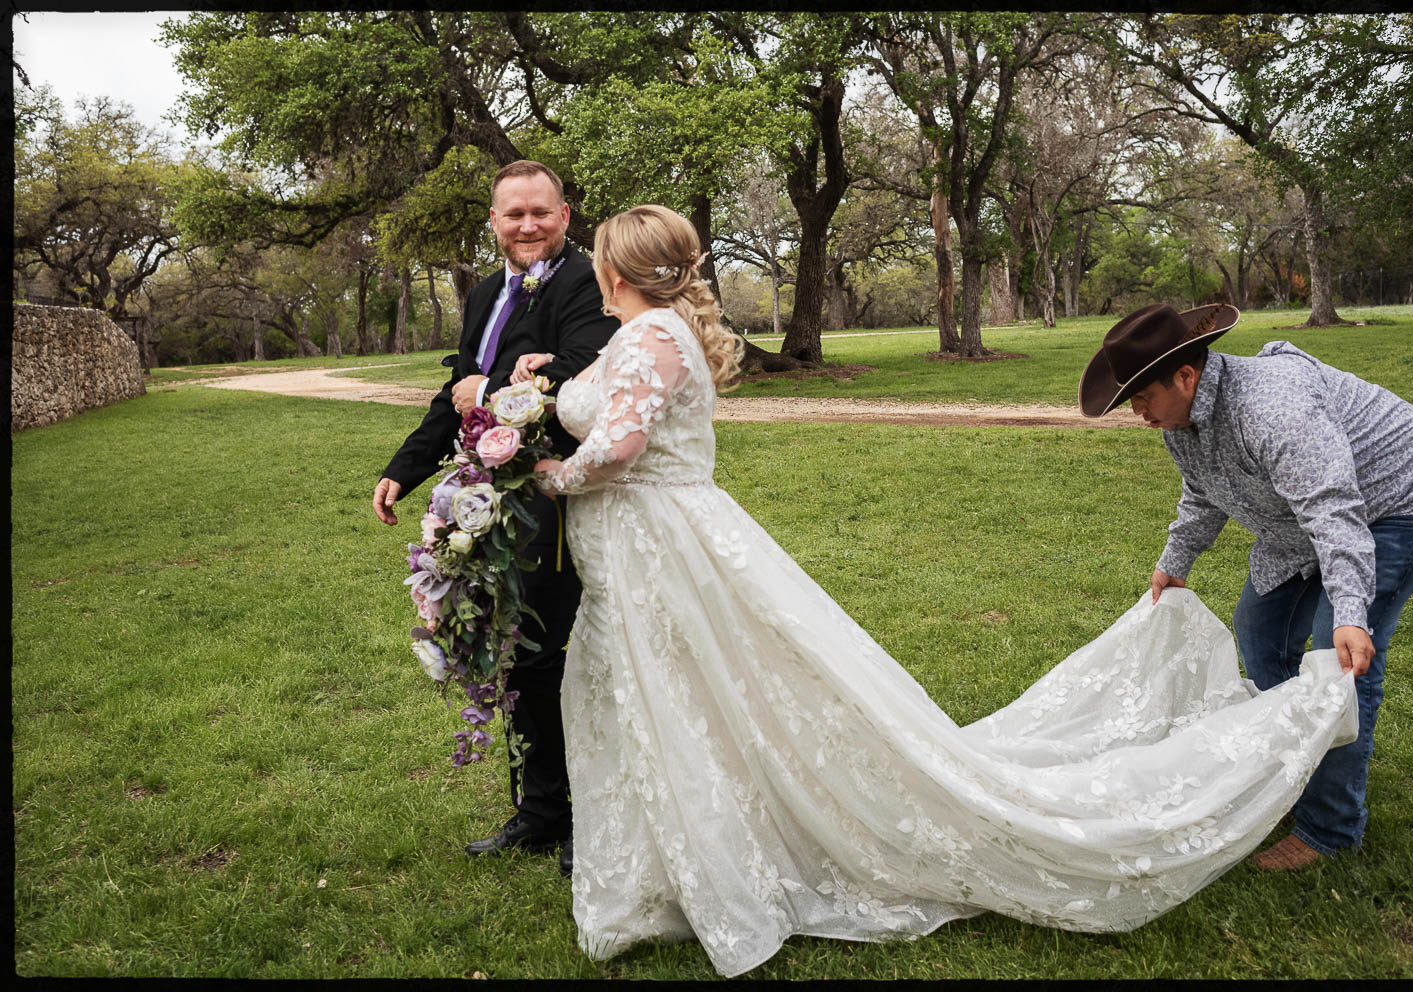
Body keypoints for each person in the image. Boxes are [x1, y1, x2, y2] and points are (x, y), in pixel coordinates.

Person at [510, 204, 1358, 978]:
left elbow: (617, 449)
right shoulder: (646, 333)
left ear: (613, 269)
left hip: (664, 548)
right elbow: (1204, 490)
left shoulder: (654, 335)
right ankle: (676, 863)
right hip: (647, 550)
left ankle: (1322, 810)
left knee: (692, 691)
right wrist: (538, 390)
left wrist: (550, 475)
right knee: (677, 695)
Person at [1079, 302, 1413, 871]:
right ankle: (1289, 781)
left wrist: (1351, 611)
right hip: (1297, 522)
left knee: (1339, 662)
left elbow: (1334, 510)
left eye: (1141, 396)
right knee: (1259, 633)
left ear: (1186, 376)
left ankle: (1330, 831)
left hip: (1394, 502)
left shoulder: (1271, 407)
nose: (1136, 411)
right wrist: (1174, 560)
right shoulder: (1180, 420)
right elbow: (1203, 492)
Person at [373, 161, 617, 876]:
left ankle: (588, 818)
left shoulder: (586, 282)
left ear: (566, 215)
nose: (528, 225)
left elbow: (580, 374)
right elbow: (456, 393)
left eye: (541, 212)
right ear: (494, 223)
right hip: (493, 508)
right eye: (514, 214)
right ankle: (542, 811)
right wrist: (403, 469)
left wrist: (489, 386)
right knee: (517, 656)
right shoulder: (483, 293)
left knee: (561, 662)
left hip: (562, 506)